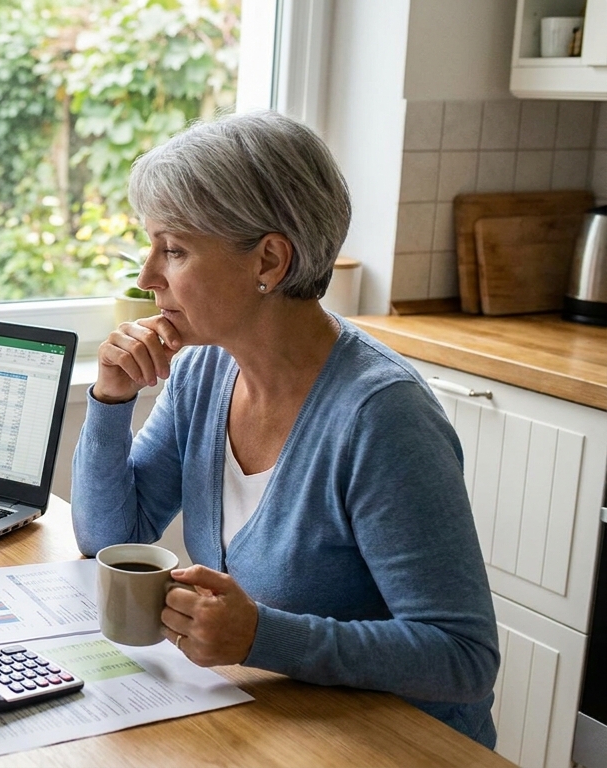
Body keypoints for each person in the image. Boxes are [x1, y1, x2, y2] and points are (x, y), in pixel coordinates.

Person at [71, 110, 499, 747]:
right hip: (282, 733)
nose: (146, 275)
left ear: (268, 259)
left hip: (400, 749)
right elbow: (110, 538)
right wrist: (110, 400)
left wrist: (261, 636)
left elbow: (462, 657)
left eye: (176, 248)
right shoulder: (207, 371)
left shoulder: (382, 416)